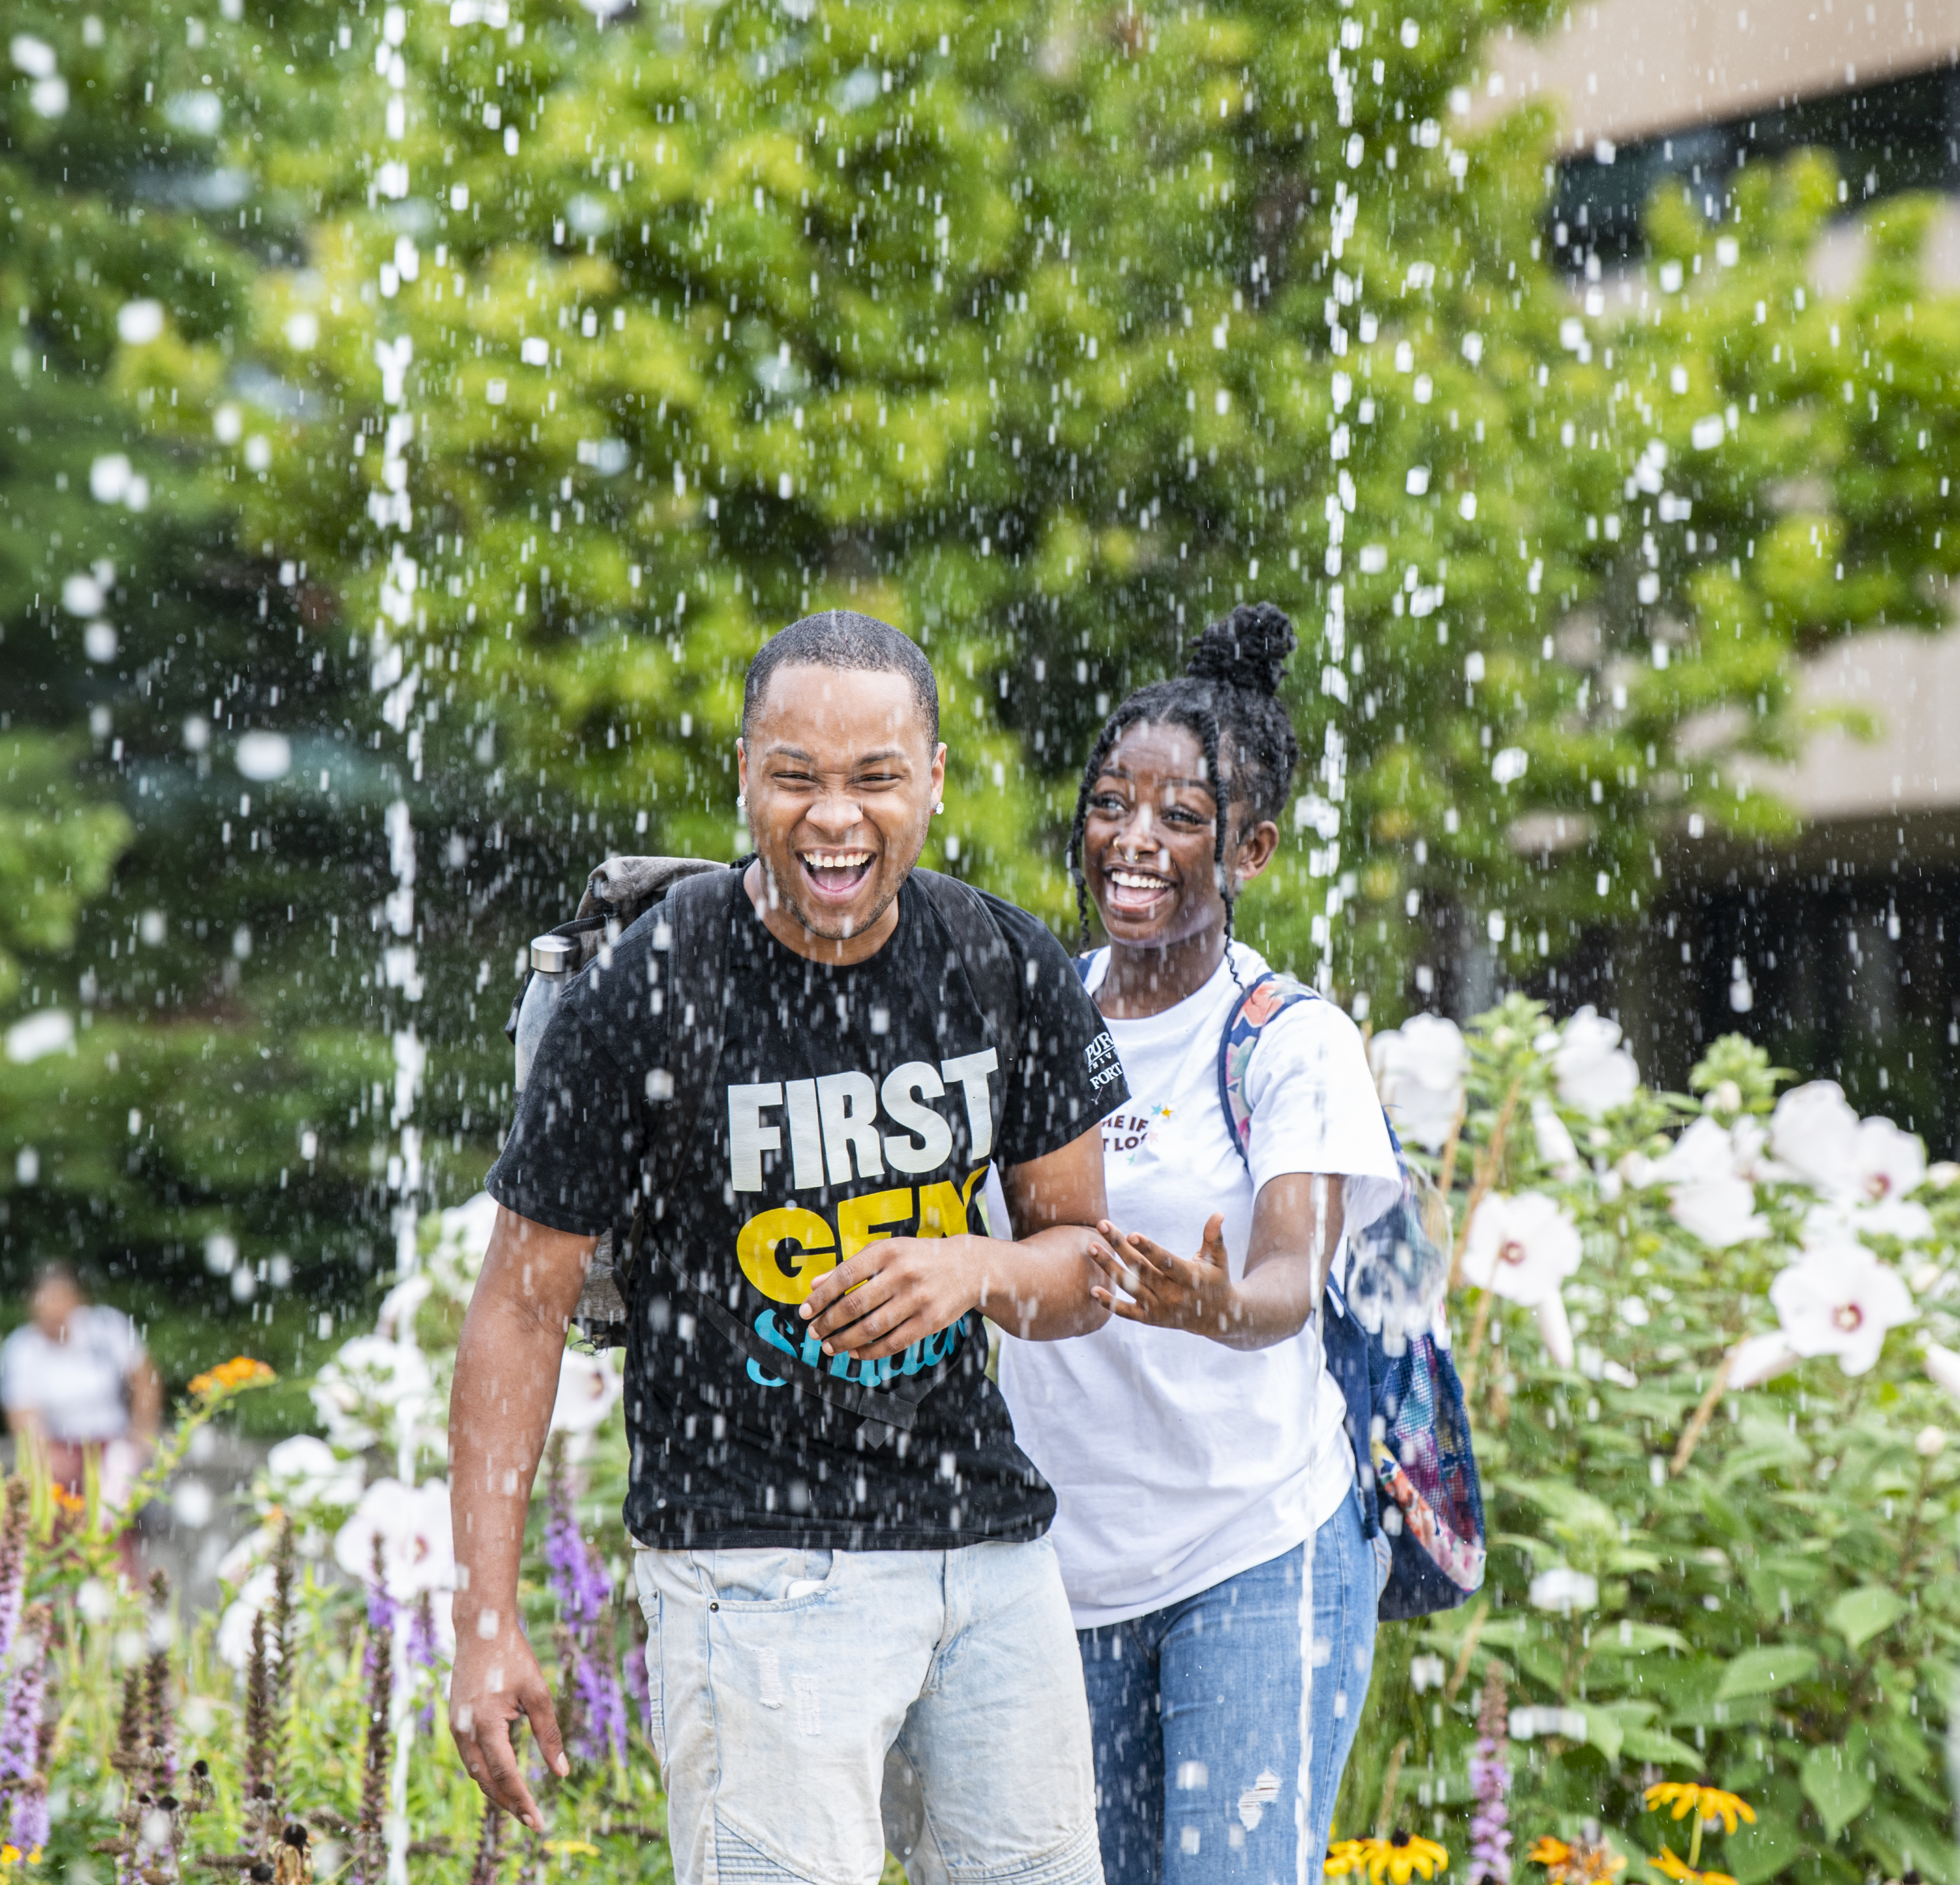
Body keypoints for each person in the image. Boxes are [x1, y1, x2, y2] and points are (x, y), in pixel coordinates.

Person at [450, 610, 1132, 1885]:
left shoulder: (1000, 963)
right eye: (797, 778)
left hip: (984, 1555)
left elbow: (1087, 1268)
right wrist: (488, 1620)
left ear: (933, 779)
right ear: (744, 776)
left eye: (875, 779)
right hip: (748, 1565)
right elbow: (519, 1307)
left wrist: (973, 1268)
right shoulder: (647, 990)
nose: (836, 819)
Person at [998, 604, 1400, 1885]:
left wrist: (1220, 1305)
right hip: (1063, 1573)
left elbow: (1290, 1272)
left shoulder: (1290, 1041)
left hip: (1255, 1551)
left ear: (1253, 850)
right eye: (1113, 804)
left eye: (1181, 818)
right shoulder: (1031, 1016)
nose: (1133, 841)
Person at [0, 1262, 160, 1504]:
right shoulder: (22, 1349)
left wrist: (141, 1436)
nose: (53, 1310)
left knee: (114, 1514)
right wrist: (47, 1458)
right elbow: (23, 1417)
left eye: (60, 1299)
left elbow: (145, 1381)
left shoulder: (107, 1328)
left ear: (78, 1300)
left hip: (113, 1444)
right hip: (57, 1450)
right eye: (46, 1301)